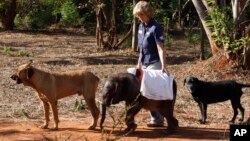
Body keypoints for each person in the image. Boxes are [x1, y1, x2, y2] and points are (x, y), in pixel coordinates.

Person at [133, 1, 168, 127]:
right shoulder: (141, 27)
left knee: (151, 91)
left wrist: (163, 65)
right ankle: (156, 117)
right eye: (137, 15)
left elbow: (160, 48)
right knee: (141, 91)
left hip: (154, 63)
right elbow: (141, 49)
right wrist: (138, 64)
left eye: (140, 15)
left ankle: (159, 117)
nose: (139, 18)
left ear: (147, 13)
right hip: (144, 63)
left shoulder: (155, 28)